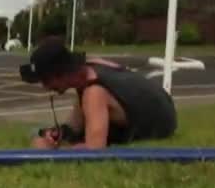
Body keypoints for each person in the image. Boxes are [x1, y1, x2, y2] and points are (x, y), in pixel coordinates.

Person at [19, 36, 177, 150]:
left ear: (63, 74)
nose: (45, 87)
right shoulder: (90, 68)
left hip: (161, 124)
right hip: (163, 106)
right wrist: (58, 134)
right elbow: (75, 125)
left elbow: (94, 149)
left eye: (46, 81)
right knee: (48, 136)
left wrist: (53, 150)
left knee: (43, 144)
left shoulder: (94, 91)